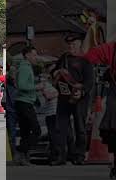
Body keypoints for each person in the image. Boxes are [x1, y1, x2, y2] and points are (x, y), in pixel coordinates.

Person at [51, 33, 94, 166]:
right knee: (60, 128)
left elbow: (89, 81)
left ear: (80, 44)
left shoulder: (85, 60)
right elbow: (54, 72)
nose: (71, 46)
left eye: (74, 44)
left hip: (79, 98)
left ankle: (79, 156)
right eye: (69, 44)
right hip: (64, 96)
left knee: (80, 128)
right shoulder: (64, 58)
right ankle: (61, 156)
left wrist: (81, 92)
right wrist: (56, 73)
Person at [83, 41, 116, 177]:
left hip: (114, 101)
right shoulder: (111, 48)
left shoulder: (111, 48)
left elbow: (88, 57)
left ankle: (114, 165)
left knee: (113, 133)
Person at [15, 46, 41, 165]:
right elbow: (21, 85)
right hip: (24, 102)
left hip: (24, 102)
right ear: (27, 55)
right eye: (34, 55)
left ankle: (23, 158)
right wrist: (36, 87)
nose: (36, 58)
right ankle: (21, 151)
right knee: (36, 130)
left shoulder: (25, 67)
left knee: (25, 131)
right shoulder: (25, 67)